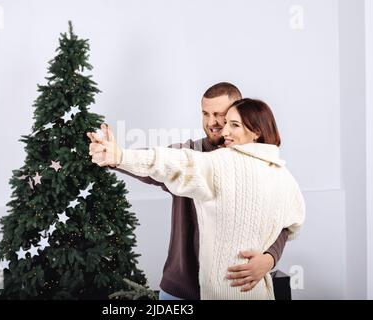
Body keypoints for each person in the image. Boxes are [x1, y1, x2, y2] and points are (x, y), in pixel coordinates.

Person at [87, 98, 305, 300]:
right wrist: (118, 157)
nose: (218, 125)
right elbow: (164, 163)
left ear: (255, 129)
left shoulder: (271, 174)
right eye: (206, 114)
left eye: (227, 120)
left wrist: (269, 259)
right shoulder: (201, 154)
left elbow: (287, 225)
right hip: (181, 286)